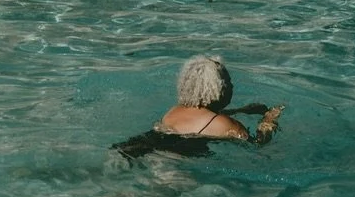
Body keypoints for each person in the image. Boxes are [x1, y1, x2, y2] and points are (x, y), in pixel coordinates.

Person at [113, 54, 283, 160]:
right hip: (173, 162)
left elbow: (205, 118)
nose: (232, 86)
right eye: (229, 82)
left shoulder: (175, 110)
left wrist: (242, 110)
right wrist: (269, 120)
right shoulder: (228, 125)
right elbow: (257, 146)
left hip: (138, 147)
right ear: (219, 89)